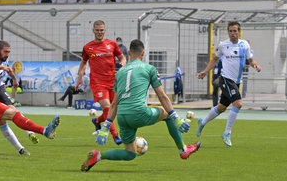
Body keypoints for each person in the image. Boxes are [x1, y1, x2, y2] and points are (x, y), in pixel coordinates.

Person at [81, 39, 200, 172]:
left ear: (129, 53)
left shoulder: (120, 73)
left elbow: (114, 104)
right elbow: (162, 96)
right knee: (166, 114)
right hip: (138, 113)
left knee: (130, 153)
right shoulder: (149, 69)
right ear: (143, 53)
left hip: (122, 117)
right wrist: (176, 118)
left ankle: (98, 155)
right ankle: (183, 149)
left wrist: (105, 127)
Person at [197, 21, 261, 147]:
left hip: (237, 81)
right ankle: (227, 132)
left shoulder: (245, 45)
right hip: (226, 79)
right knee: (238, 103)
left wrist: (256, 65)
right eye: (230, 31)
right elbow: (214, 60)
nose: (232, 33)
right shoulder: (223, 45)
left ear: (239, 32)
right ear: (228, 32)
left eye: (235, 31)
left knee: (221, 108)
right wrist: (205, 72)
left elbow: (251, 59)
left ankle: (203, 122)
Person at [0, 40, 39, 156]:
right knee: (1, 121)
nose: (7, 54)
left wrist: (14, 78)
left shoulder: (4, 59)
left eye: (9, 52)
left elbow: (8, 68)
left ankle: (30, 133)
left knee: (13, 109)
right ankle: (20, 149)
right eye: (5, 52)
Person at [77, 20, 127, 145]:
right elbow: (83, 62)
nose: (100, 32)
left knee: (113, 110)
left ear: (105, 30)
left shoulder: (112, 44)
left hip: (112, 81)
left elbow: (122, 57)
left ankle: (97, 121)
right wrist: (80, 76)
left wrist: (123, 62)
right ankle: (115, 135)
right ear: (93, 30)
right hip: (97, 82)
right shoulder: (88, 47)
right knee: (107, 107)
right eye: (97, 30)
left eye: (102, 30)